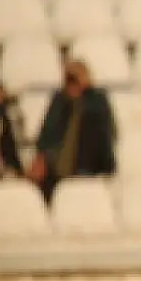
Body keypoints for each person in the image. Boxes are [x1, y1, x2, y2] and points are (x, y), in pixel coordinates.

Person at [28, 60, 117, 201]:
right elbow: (46, 132)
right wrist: (42, 158)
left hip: (87, 169)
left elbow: (105, 135)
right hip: (55, 168)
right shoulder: (59, 100)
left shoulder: (97, 101)